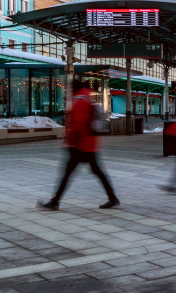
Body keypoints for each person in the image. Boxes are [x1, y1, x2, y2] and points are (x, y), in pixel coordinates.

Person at [40, 78, 119, 210]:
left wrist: (70, 143)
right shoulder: (85, 98)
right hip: (88, 144)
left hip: (81, 145)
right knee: (95, 172)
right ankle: (112, 198)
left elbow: (78, 125)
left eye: (69, 87)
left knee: (68, 174)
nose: (67, 90)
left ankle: (55, 201)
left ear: (73, 88)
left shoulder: (80, 101)